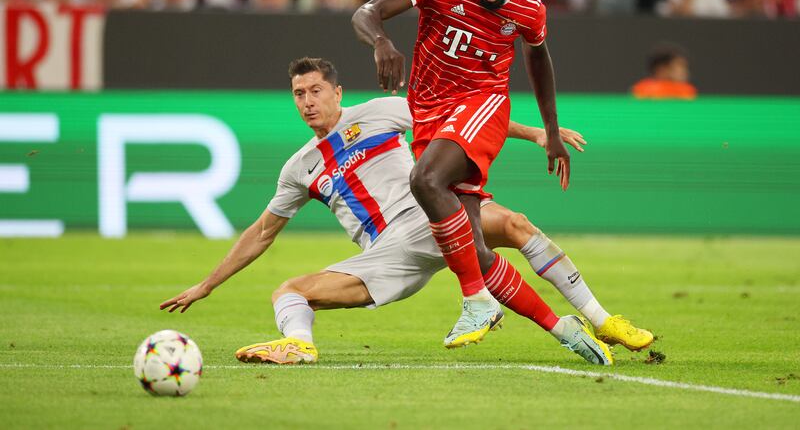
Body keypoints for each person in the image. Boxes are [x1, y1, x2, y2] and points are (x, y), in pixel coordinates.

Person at [161, 57, 654, 365]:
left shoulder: (380, 111)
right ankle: (301, 346)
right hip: (389, 254)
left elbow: (458, 123)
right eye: (298, 94)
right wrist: (207, 284)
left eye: (315, 91)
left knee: (514, 226)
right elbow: (263, 232)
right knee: (289, 293)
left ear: (337, 93)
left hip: (427, 211)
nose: (308, 102)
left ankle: (592, 320)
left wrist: (538, 134)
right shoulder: (300, 167)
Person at [352, 0, 570, 348]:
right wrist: (381, 41)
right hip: (431, 114)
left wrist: (551, 131)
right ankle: (565, 328)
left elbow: (538, 58)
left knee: (424, 181)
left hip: (482, 102)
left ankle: (476, 300)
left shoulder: (529, 7)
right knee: (472, 243)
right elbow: (366, 12)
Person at [632, 44, 697, 99]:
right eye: (679, 66)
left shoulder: (687, 91)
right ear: (662, 69)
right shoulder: (642, 91)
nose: (684, 71)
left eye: (684, 67)